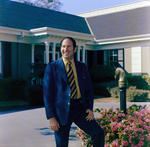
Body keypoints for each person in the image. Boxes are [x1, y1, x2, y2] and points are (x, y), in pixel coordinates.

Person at [43, 37, 104, 147]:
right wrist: (51, 117)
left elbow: (88, 90)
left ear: (74, 49)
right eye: (63, 46)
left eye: (69, 46)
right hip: (61, 112)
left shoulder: (82, 66)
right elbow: (47, 94)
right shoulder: (52, 67)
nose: (65, 49)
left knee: (98, 133)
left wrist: (89, 108)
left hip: (79, 109)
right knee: (62, 144)